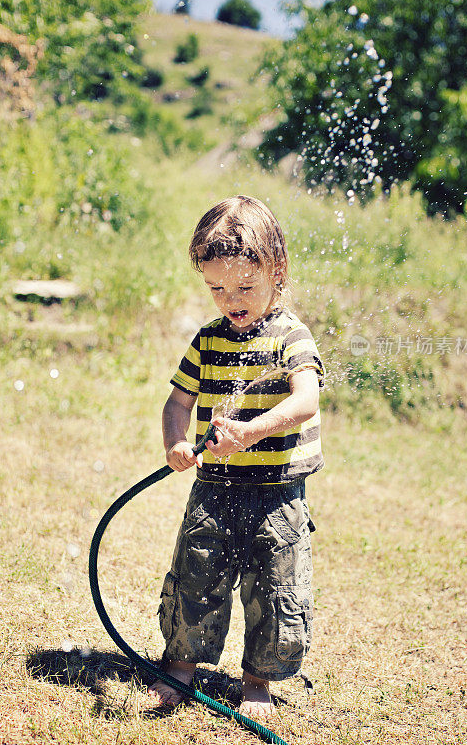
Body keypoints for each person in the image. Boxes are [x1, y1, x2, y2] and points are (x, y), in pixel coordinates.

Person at [148, 195, 325, 718]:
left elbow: (307, 398)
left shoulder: (290, 336)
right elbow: (178, 400)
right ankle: (180, 668)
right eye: (217, 288)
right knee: (196, 575)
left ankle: (258, 680)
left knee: (277, 586)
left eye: (245, 286)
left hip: (278, 492)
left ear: (277, 272)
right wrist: (176, 442)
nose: (232, 299)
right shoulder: (208, 340)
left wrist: (251, 431)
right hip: (216, 487)